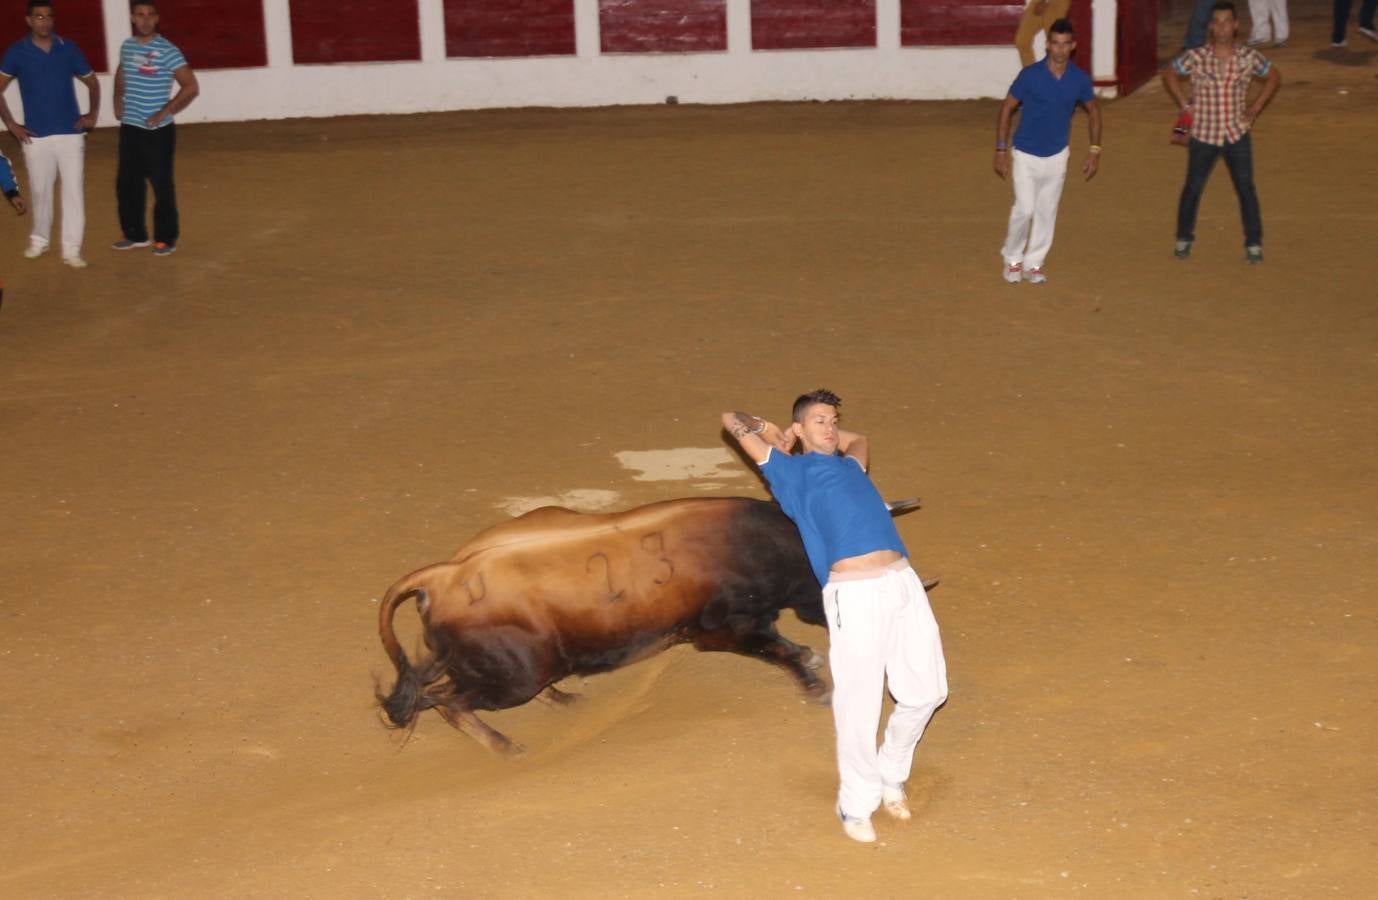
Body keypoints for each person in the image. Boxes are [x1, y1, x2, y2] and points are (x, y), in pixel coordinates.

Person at [721, 390, 948, 844]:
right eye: (820, 421)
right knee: (859, 703)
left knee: (928, 691)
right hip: (854, 593)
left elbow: (858, 438)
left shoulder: (851, 466)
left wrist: (824, 432)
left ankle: (891, 771)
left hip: (902, 584)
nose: (831, 427)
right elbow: (731, 419)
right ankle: (856, 801)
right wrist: (778, 432)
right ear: (801, 429)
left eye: (833, 420)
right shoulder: (790, 473)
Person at [1162, 1, 1280, 263]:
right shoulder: (1197, 56)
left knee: (1246, 188)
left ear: (1235, 25)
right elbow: (1169, 73)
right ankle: (1183, 237)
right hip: (1204, 133)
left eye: (1227, 21)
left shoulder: (1248, 57)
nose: (1222, 27)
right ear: (1211, 26)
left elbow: (1274, 76)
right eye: (1217, 22)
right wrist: (1184, 104)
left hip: (1236, 132)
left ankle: (1253, 243)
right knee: (1193, 187)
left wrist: (1255, 108)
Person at [994, 18, 1101, 285]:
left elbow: (1094, 111)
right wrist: (1001, 149)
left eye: (1065, 44)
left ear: (1073, 46)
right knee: (1025, 209)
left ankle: (1034, 263)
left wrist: (1094, 150)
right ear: (1047, 45)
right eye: (1055, 43)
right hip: (1027, 154)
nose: (1060, 50)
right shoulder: (1030, 75)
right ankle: (1013, 257)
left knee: (1046, 211)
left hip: (1057, 155)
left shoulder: (1078, 79)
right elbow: (1007, 108)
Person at [0, 1, 99, 268]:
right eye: (39, 17)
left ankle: (71, 249)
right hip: (36, 136)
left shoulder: (69, 49)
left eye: (48, 17)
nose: (44, 21)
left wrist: (92, 114)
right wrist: (11, 123)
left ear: (53, 20)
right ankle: (39, 240)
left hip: (70, 133)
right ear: (29, 21)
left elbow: (92, 81)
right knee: (40, 191)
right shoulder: (17, 52)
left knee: (73, 192)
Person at [112, 1, 197, 256]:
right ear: (133, 18)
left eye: (150, 15)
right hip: (131, 127)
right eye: (140, 15)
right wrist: (117, 98)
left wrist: (163, 112)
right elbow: (122, 70)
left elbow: (191, 86)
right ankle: (135, 235)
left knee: (161, 185)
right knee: (127, 183)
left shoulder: (168, 50)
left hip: (158, 132)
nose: (145, 20)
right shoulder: (127, 46)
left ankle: (166, 238)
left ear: (157, 18)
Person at [1014, 0, 1070, 68]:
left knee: (1057, 43)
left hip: (1056, 2)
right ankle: (1032, 74)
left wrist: (1046, 1)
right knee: (1022, 41)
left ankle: (1056, 76)